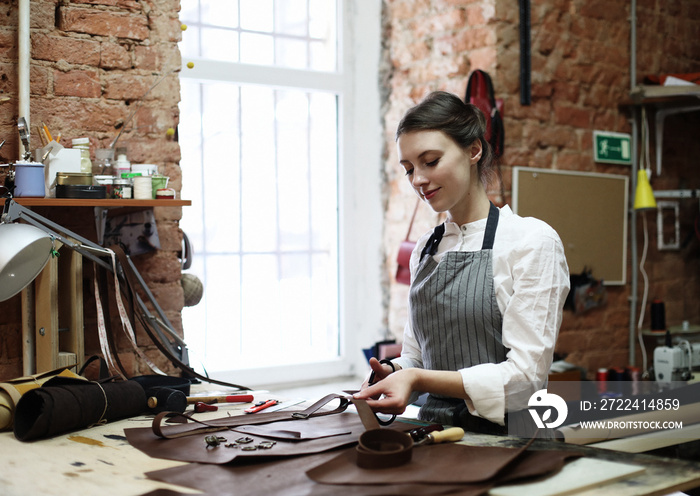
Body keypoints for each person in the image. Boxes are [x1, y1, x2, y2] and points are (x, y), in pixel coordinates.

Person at [354, 91, 570, 436]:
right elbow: (419, 356)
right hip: (436, 435)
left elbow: (525, 381)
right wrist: (397, 370)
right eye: (409, 169)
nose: (418, 180)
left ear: (473, 150)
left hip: (513, 442)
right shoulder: (426, 247)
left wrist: (418, 378)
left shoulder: (532, 242)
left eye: (430, 161)